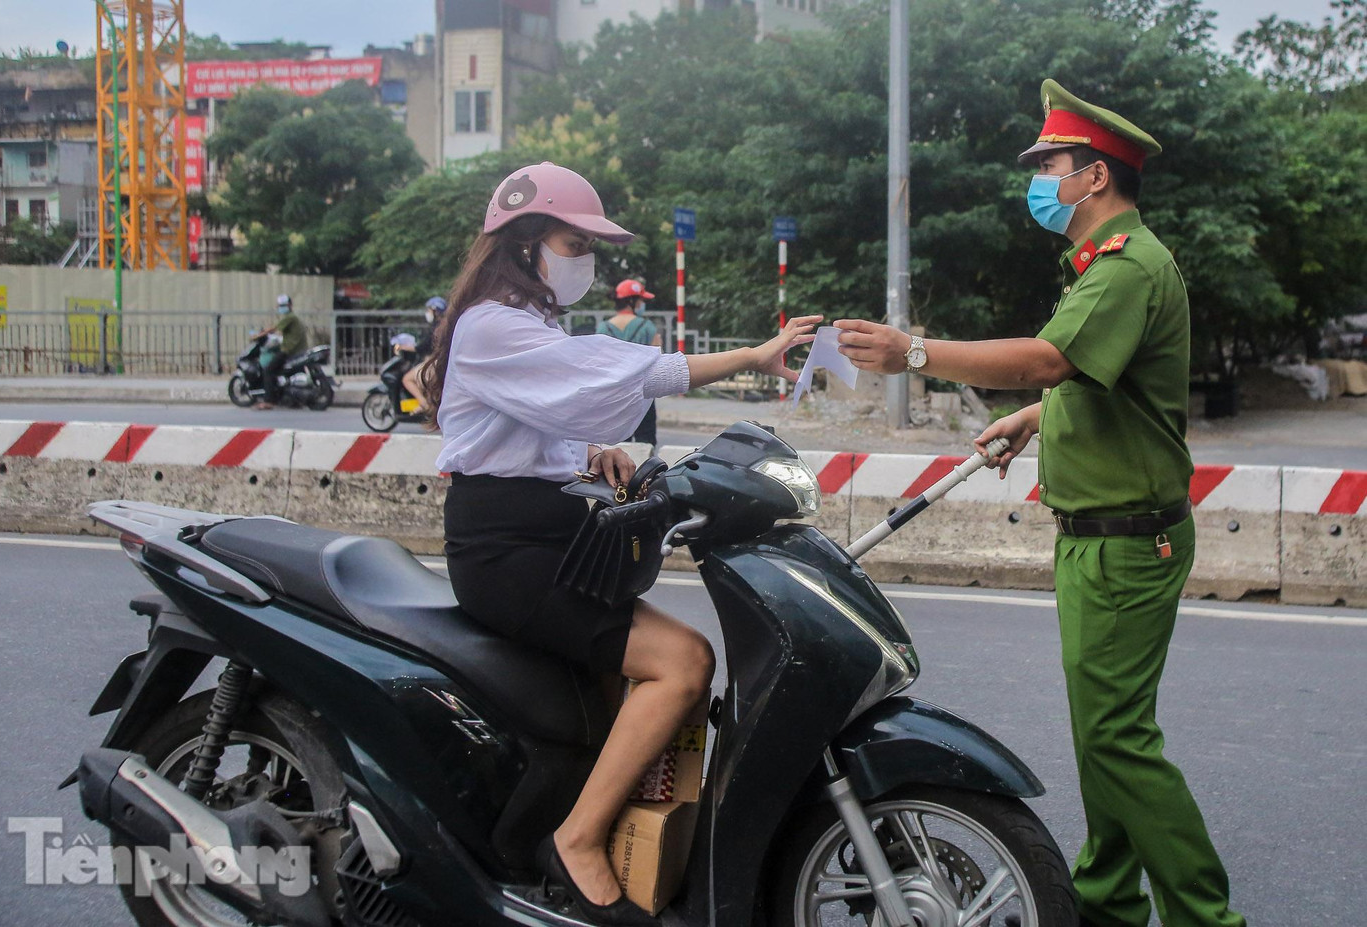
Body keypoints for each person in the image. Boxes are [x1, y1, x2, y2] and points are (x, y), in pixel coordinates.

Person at [833, 81, 1245, 927]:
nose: (1039, 179)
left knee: (1120, 743)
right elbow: (1093, 382)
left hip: (1128, 543)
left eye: (1050, 165)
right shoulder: (1103, 264)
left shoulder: (1128, 265)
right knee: (1107, 739)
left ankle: (1204, 917)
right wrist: (1032, 419)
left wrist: (914, 351)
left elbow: (1048, 360)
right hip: (1105, 536)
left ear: (1095, 177)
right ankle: (1107, 905)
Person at [416, 161, 818, 925]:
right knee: (685, 661)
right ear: (528, 243)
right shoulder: (493, 324)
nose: (586, 259)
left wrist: (592, 453)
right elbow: (606, 372)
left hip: (550, 530)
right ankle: (579, 837)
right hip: (510, 550)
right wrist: (750, 357)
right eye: (575, 241)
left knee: (611, 703)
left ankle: (583, 833)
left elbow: (547, 416)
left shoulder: (527, 321)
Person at [598, 280, 662, 444]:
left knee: (618, 443)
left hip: (614, 395)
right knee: (645, 442)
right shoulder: (647, 326)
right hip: (643, 394)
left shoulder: (604, 328)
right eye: (641, 300)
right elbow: (659, 359)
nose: (642, 304)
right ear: (631, 302)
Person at [255, 294, 307, 410]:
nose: (281, 308)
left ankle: (269, 401)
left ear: (290, 305)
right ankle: (295, 400)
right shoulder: (292, 318)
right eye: (280, 305)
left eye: (283, 305)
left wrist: (258, 336)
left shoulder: (290, 317)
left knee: (268, 370)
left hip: (288, 350)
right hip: (297, 350)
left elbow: (275, 328)